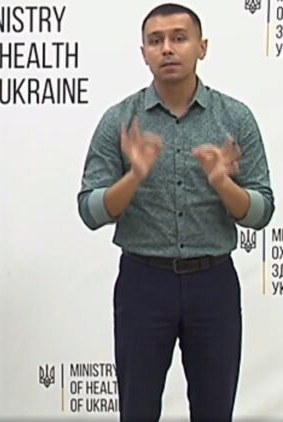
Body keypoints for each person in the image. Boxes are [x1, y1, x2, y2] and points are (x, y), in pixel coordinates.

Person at [77, 3, 274, 420]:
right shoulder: (120, 121)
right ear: (144, 53)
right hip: (143, 285)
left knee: (214, 410)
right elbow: (90, 211)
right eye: (156, 40)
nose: (167, 48)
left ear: (202, 47)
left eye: (179, 38)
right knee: (137, 409)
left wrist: (223, 183)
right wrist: (134, 176)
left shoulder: (235, 118)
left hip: (213, 284)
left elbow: (262, 212)